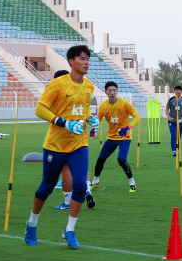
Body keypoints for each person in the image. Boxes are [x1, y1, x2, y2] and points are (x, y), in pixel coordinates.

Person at [25, 45, 98, 249]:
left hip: (79, 144)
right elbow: (40, 109)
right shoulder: (58, 84)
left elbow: (82, 111)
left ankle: (70, 230)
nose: (86, 62)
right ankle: (31, 223)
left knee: (81, 186)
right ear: (71, 61)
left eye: (88, 59)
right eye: (82, 59)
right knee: (46, 187)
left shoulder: (89, 86)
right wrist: (64, 123)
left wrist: (90, 119)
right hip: (55, 145)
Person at [52, 69, 96, 210]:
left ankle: (67, 202)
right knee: (82, 166)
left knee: (65, 169)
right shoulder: (79, 94)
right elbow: (87, 113)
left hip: (63, 137)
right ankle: (88, 190)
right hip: (81, 136)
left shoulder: (57, 95)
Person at [90, 81, 141, 192]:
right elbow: (97, 120)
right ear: (106, 92)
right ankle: (95, 182)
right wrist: (94, 129)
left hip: (124, 137)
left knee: (121, 160)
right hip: (111, 137)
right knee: (100, 160)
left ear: (117, 91)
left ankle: (132, 183)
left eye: (114, 90)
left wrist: (127, 128)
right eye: (110, 90)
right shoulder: (103, 106)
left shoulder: (125, 103)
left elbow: (137, 117)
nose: (112, 92)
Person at [165, 85, 182, 157]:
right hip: (172, 122)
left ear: (181, 91)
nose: (178, 91)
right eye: (176, 90)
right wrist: (169, 117)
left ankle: (177, 148)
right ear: (174, 91)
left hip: (180, 122)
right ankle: (174, 151)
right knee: (173, 135)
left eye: (179, 90)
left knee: (178, 136)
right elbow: (166, 109)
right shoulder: (171, 100)